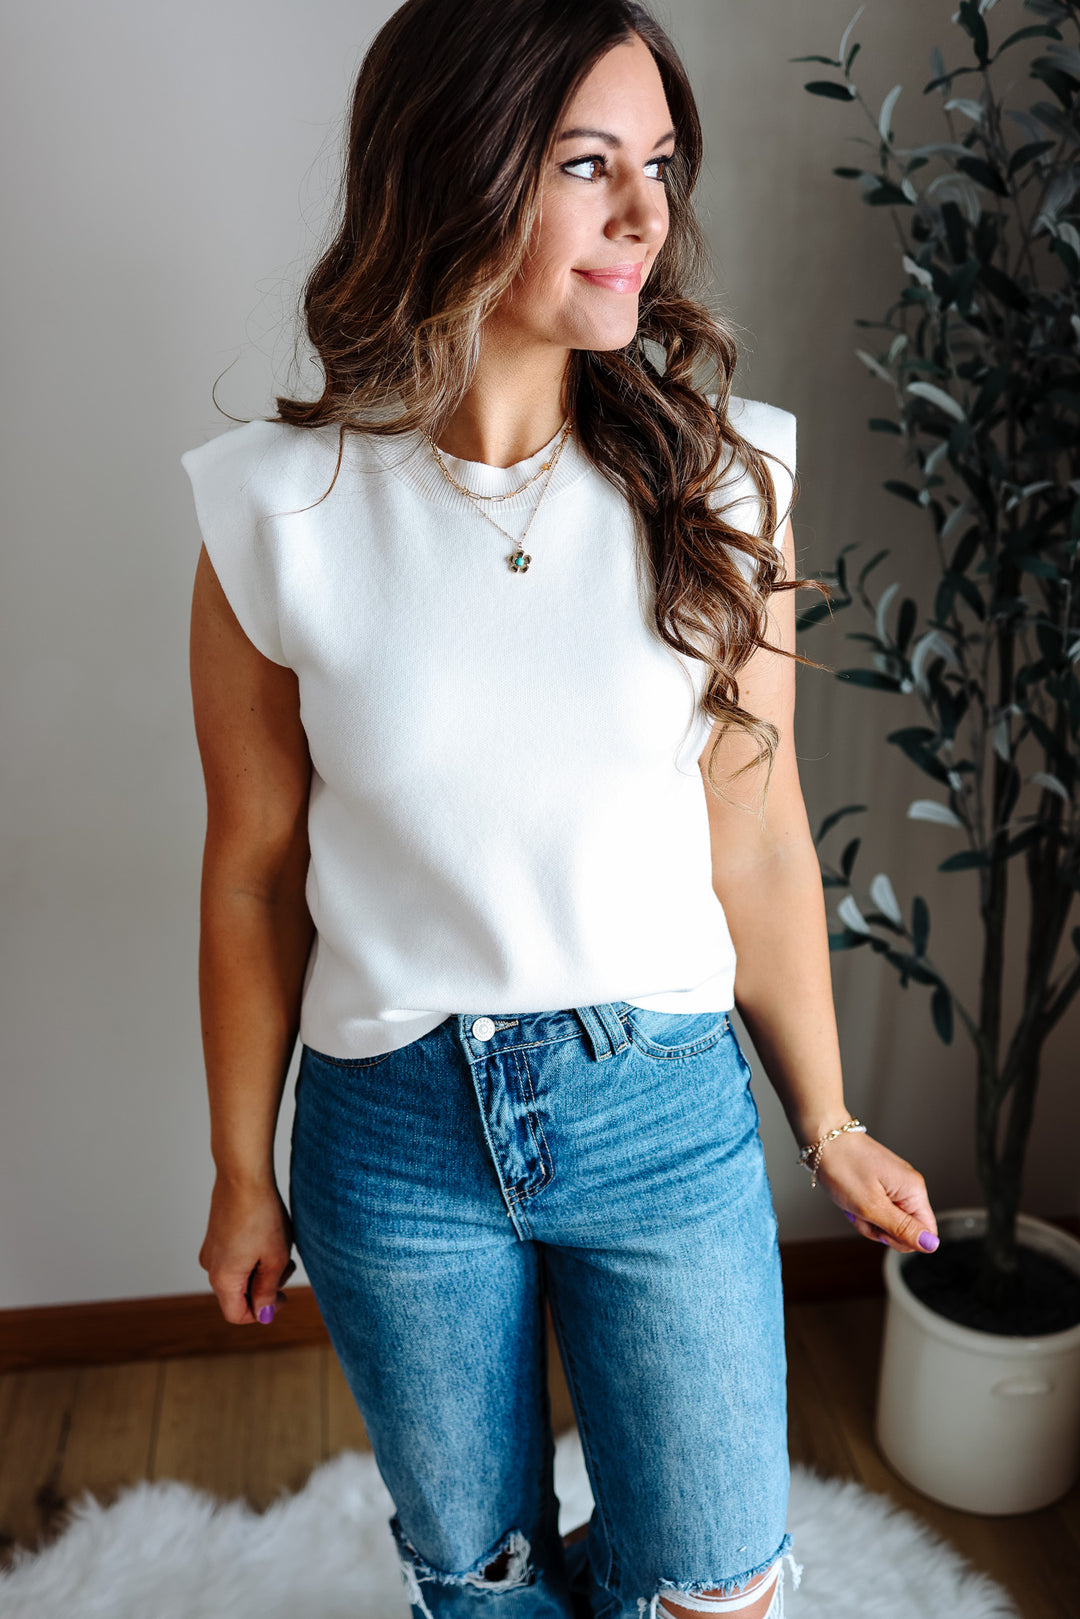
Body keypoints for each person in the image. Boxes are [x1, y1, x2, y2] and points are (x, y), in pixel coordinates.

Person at [184, 3, 939, 1616]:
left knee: (717, 1588)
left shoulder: (726, 482)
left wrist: (830, 1122)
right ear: (454, 171)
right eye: (589, 165)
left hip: (659, 1109)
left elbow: (756, 831)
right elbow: (251, 875)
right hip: (392, 1131)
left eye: (659, 164)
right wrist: (242, 1169)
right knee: (481, 1583)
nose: (647, 215)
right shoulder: (275, 509)